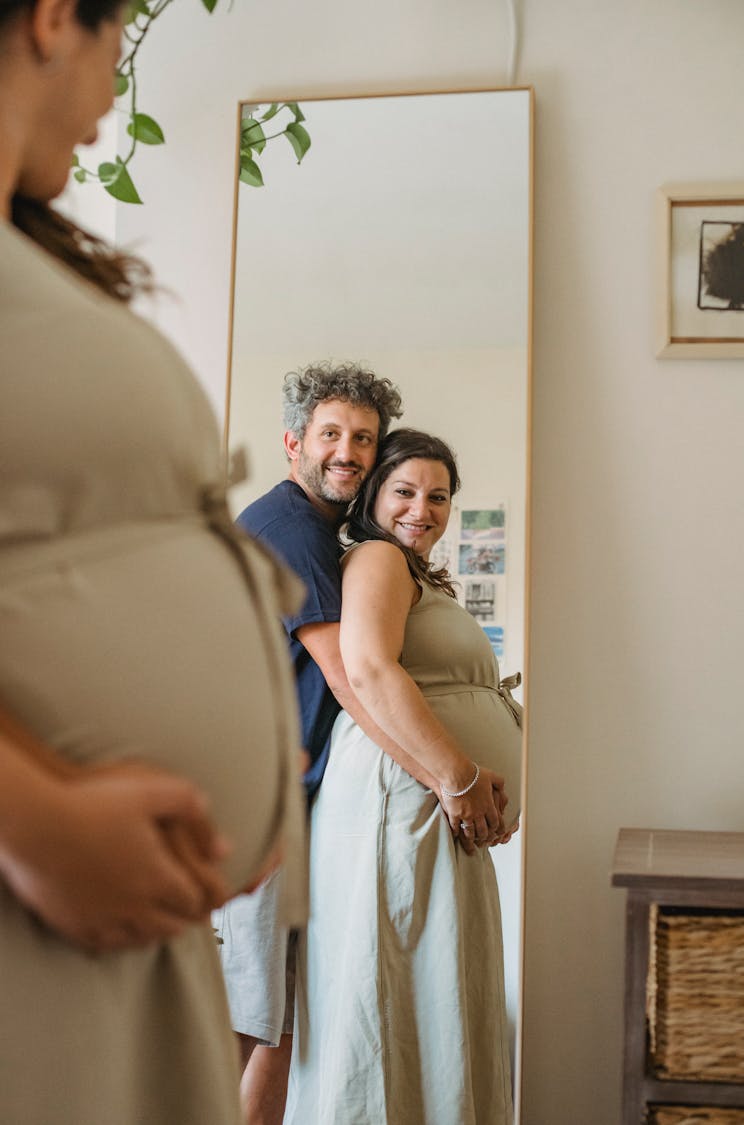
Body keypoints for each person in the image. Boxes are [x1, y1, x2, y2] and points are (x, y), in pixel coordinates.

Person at [0, 2, 306, 1122]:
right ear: (51, 20)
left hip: (131, 940)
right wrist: (33, 820)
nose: (109, 101)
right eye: (121, 32)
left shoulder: (34, 253)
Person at [214, 361, 434, 1124]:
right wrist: (448, 780)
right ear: (292, 443)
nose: (349, 451)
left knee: (272, 1021)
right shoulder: (291, 529)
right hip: (258, 802)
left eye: (364, 438)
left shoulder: (317, 530)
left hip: (283, 801)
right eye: (332, 434)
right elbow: (352, 678)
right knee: (258, 1023)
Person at [284, 429, 523, 1125]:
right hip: (405, 799)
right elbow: (368, 669)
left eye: (439, 495)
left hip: (424, 802)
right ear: (372, 496)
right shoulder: (380, 559)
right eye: (405, 491)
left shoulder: (409, 567)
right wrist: (459, 776)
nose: (424, 508)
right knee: (399, 991)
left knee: (431, 991)